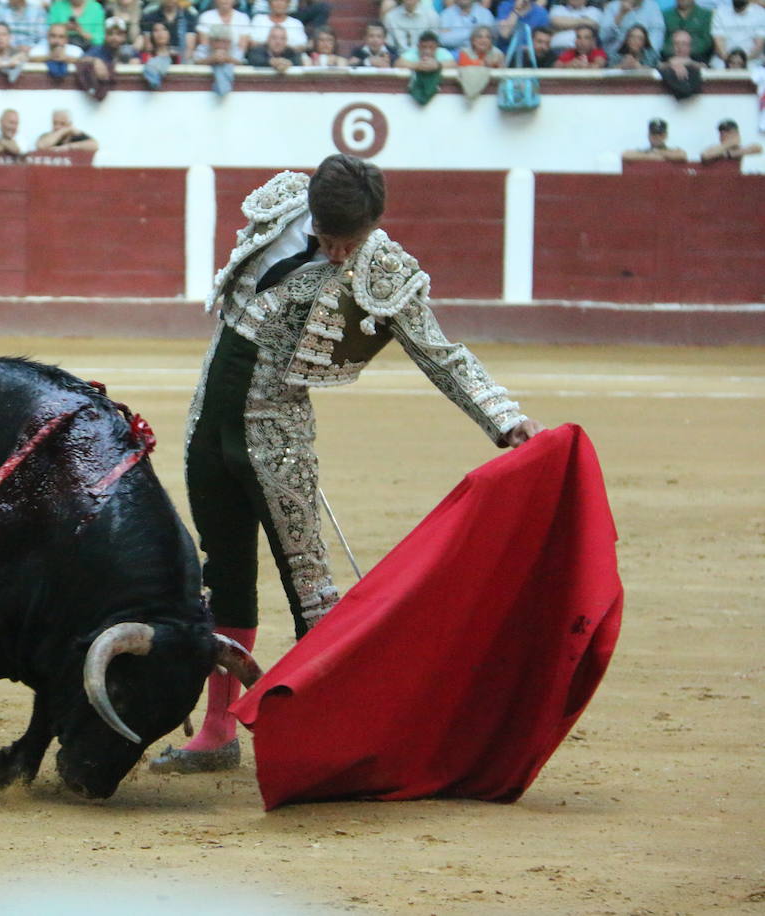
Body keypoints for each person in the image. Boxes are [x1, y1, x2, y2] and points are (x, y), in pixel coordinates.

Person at [149, 155, 543, 775]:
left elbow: (438, 351)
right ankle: (218, 732)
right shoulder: (281, 201)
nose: (339, 254)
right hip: (208, 421)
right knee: (222, 575)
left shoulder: (381, 266)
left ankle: (339, 736)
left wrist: (504, 416)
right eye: (333, 240)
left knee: (310, 589)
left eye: (350, 242)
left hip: (278, 437)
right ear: (313, 212)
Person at [600, 0, 665, 59]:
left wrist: (646, 56)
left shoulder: (652, 6)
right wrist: (621, 14)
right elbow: (603, 37)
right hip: (615, 57)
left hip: (643, 58)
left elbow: (657, 34)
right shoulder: (613, 7)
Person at [709, 0, 765, 65]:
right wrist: (731, 62)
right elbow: (718, 43)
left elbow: (758, 46)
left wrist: (742, 61)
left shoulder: (761, 13)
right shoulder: (720, 12)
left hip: (752, 60)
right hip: (724, 59)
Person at [34, 107, 98, 152]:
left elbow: (94, 145)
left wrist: (69, 147)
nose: (57, 127)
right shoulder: (47, 136)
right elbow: (41, 146)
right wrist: (62, 131)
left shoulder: (77, 135)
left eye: (62, 124)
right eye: (55, 123)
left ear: (69, 124)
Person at [622, 117, 688, 160]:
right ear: (648, 136)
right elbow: (625, 155)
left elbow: (682, 155)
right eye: (654, 134)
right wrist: (649, 156)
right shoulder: (644, 151)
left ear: (666, 136)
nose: (657, 137)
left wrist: (658, 153)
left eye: (660, 134)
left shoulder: (673, 151)